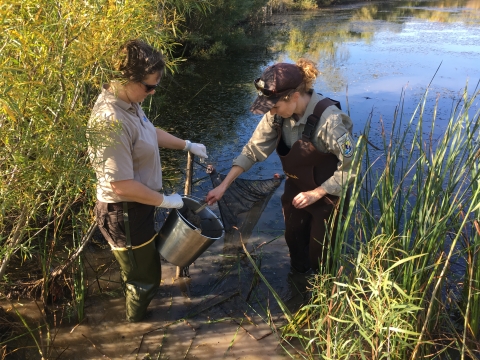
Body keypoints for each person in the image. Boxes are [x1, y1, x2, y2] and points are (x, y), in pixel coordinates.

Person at [88, 39, 208, 322]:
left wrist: (186, 144)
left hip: (140, 206)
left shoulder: (129, 101)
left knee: (146, 266)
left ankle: (136, 317)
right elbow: (121, 185)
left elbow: (149, 131)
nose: (152, 93)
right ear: (124, 78)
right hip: (124, 213)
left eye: (156, 87)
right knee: (144, 280)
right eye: (149, 86)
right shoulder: (109, 120)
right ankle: (135, 329)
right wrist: (165, 201)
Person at [206, 59, 356, 274]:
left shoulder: (330, 121)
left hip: (330, 195)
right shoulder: (275, 115)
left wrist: (318, 192)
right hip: (296, 191)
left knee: (320, 254)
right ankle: (299, 292)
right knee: (294, 243)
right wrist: (224, 186)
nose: (272, 112)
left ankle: (326, 295)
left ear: (295, 96)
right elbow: (252, 150)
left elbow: (351, 166)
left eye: (275, 107)